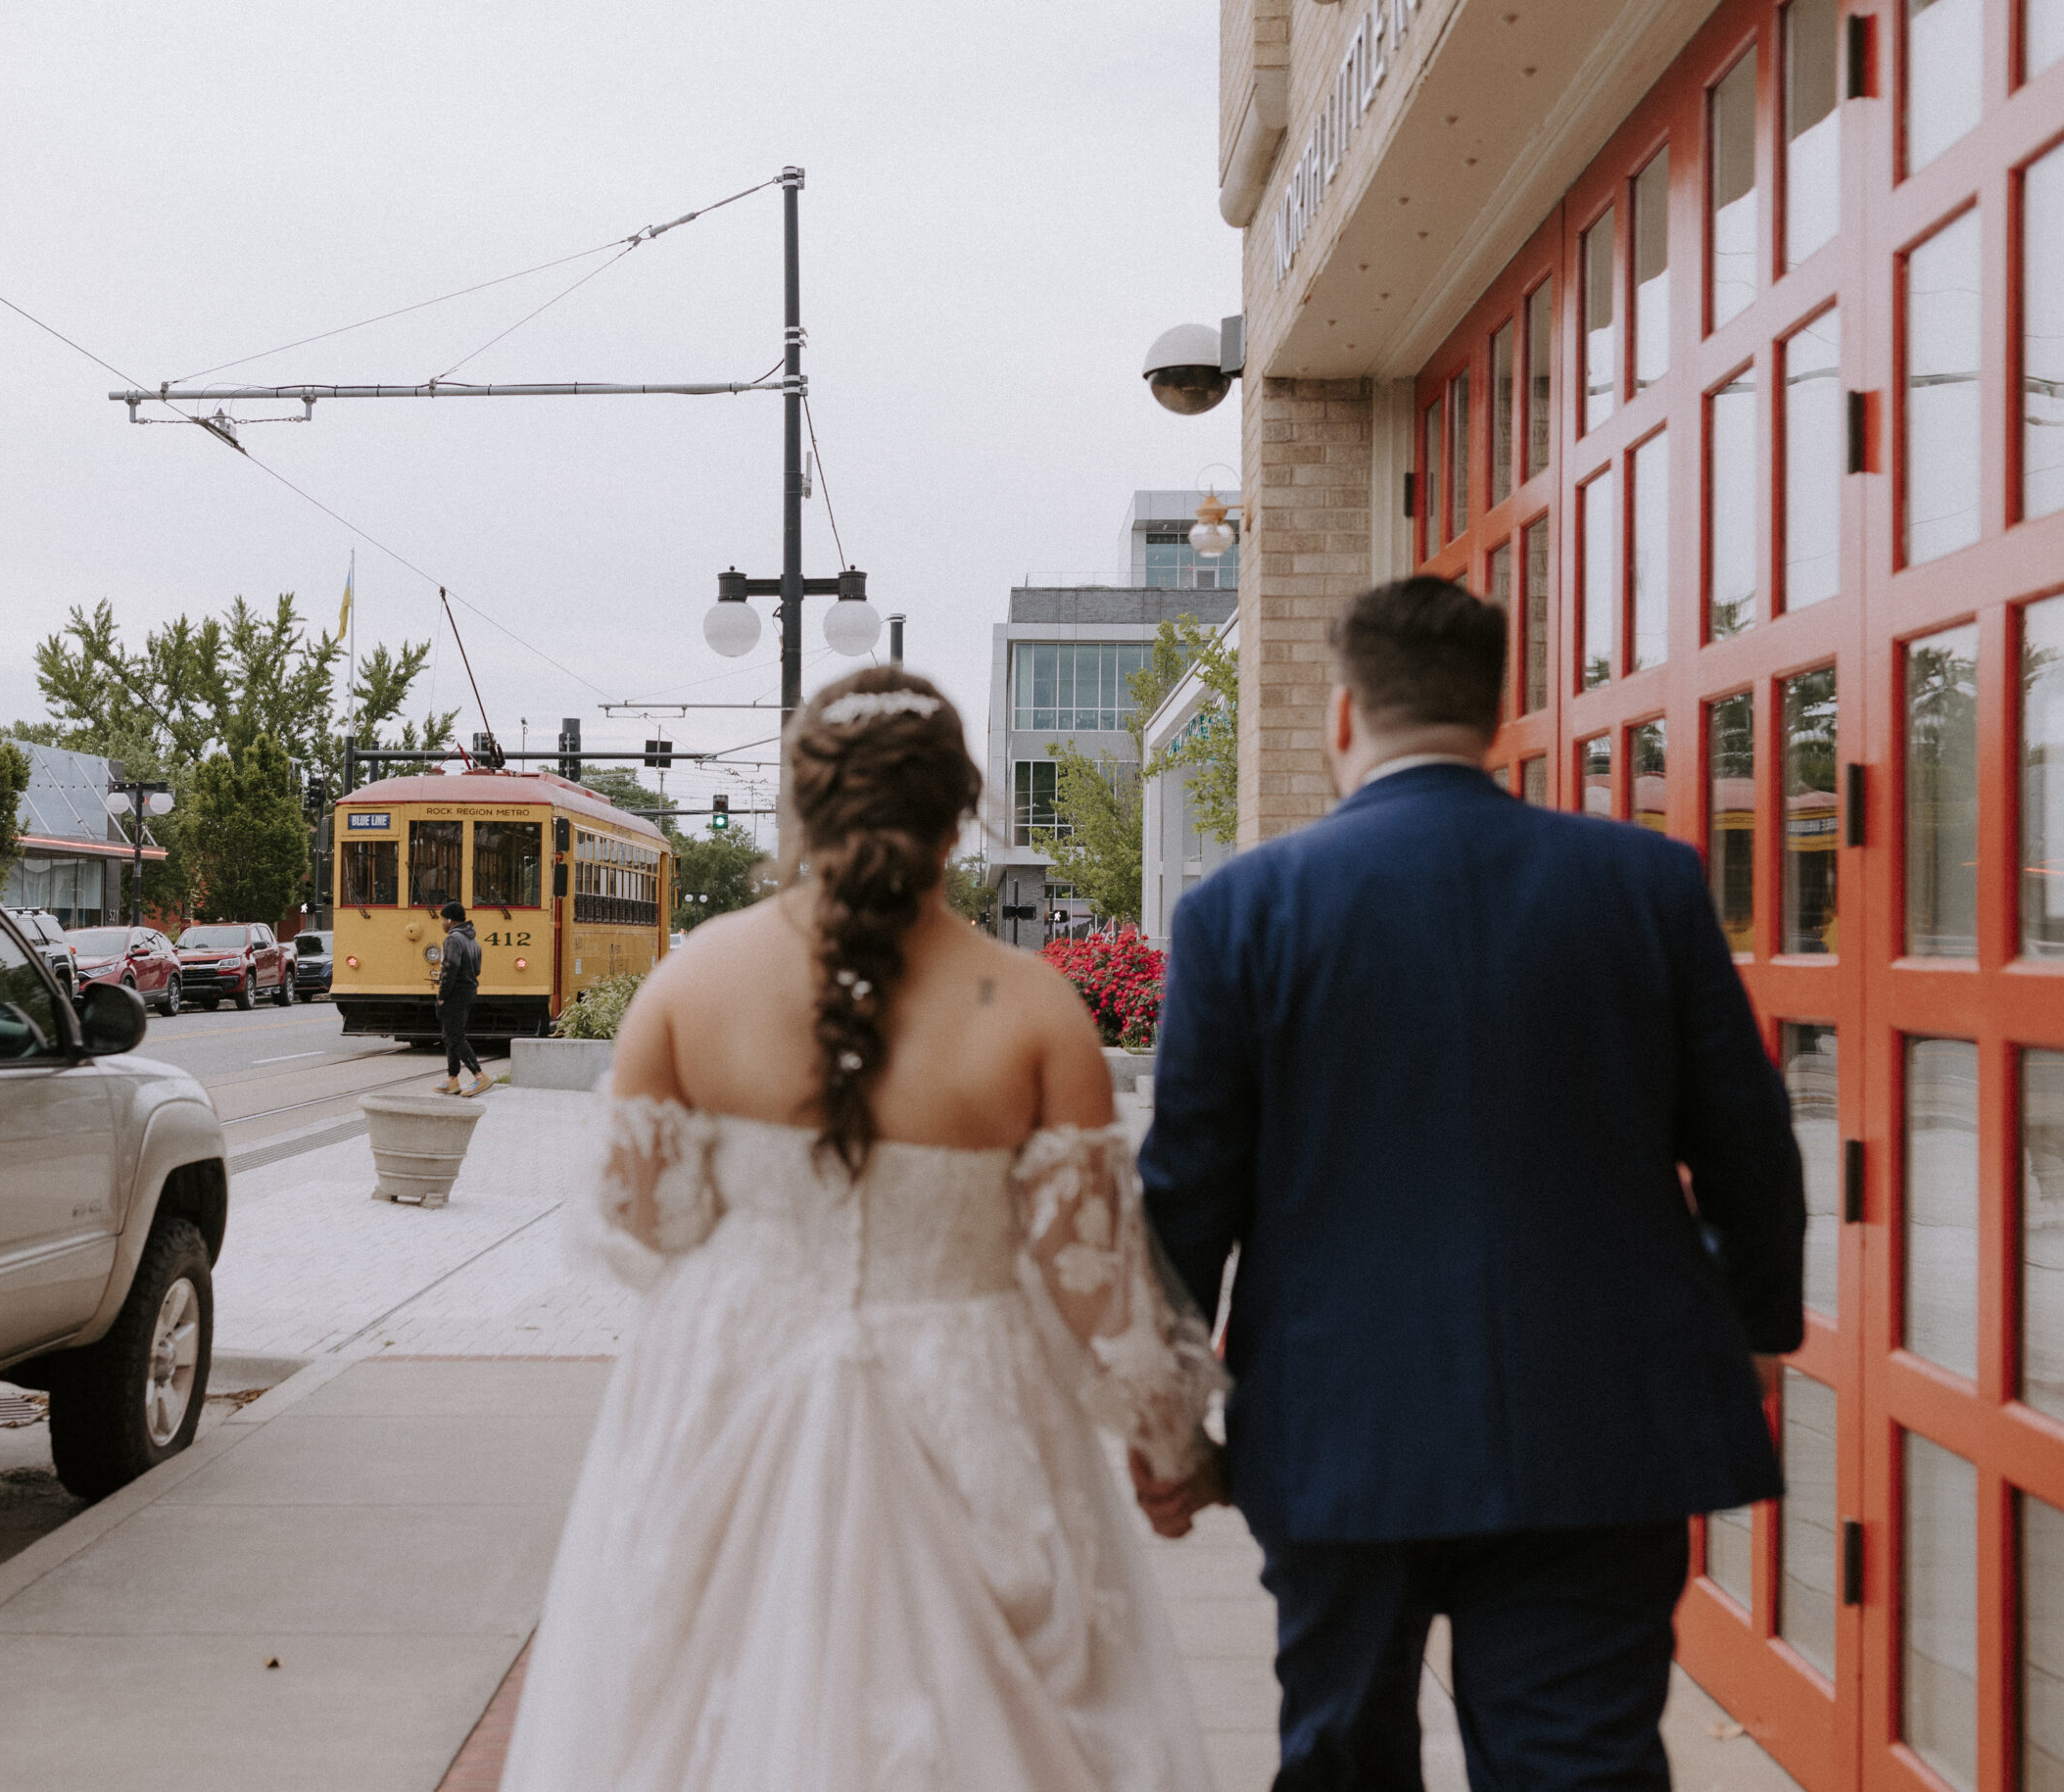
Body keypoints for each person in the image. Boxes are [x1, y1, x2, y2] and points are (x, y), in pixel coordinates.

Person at [498, 667, 1227, 1792]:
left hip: (725, 1387)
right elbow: (1097, 1282)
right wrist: (1173, 1446)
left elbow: (637, 1222)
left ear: (799, 809)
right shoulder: (1034, 1011)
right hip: (970, 1398)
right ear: (959, 814)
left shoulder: (688, 985)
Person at [1134, 576, 1805, 1791]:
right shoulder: (1645, 884)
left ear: (1342, 716)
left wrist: (1166, 1417)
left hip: (1337, 1425)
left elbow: (1187, 1188)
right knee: (1582, 1760)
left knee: (1340, 1747)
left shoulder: (1239, 912)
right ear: (1496, 715)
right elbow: (1750, 1139)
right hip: (1599, 1418)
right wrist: (1753, 1325)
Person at [433, 902, 493, 1097]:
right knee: (449, 1034)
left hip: (455, 993)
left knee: (455, 1036)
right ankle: (452, 1079)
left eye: (443, 919)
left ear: (450, 920)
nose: (442, 923)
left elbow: (450, 969)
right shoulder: (472, 940)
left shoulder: (453, 939)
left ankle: (479, 1075)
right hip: (469, 990)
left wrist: (442, 996)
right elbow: (476, 970)